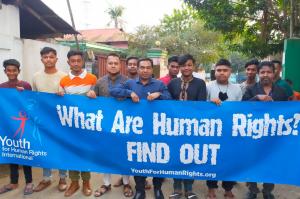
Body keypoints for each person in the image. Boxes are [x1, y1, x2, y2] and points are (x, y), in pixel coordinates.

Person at [110, 58, 171, 199]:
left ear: (152, 69)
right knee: (138, 160)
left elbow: (170, 98)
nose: (145, 70)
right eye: (142, 67)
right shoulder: (130, 83)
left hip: (156, 130)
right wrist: (129, 93)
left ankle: (157, 189)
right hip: (136, 130)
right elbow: (113, 91)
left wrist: (159, 95)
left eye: (148, 68)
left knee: (157, 160)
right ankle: (140, 190)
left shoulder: (159, 84)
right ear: (137, 69)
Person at [243, 61, 288, 199]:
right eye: (262, 72)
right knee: (252, 161)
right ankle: (252, 189)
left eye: (268, 72)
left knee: (272, 162)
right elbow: (241, 109)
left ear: (274, 73)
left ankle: (268, 190)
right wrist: (256, 98)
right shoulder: (251, 90)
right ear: (258, 74)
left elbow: (287, 112)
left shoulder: (281, 91)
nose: (265, 75)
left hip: (273, 137)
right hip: (253, 135)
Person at [91, 53, 132, 197]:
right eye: (110, 63)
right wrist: (90, 95)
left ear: (120, 65)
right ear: (106, 65)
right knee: (106, 154)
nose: (113, 65)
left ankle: (126, 183)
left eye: (116, 63)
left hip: (123, 125)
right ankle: (106, 184)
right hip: (105, 125)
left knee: (124, 154)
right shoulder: (99, 82)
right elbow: (90, 101)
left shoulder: (128, 82)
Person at [58, 50, 97, 197]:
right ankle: (74, 183)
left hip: (86, 125)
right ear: (68, 62)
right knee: (70, 153)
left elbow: (98, 100)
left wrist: (94, 95)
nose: (75, 63)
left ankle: (86, 182)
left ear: (82, 62)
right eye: (72, 61)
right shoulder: (63, 80)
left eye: (78, 61)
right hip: (69, 126)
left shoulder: (92, 78)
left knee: (85, 153)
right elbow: (59, 103)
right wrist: (59, 95)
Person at [168, 54, 206, 199]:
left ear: (193, 66)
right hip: (174, 127)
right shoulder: (173, 83)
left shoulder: (200, 83)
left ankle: (189, 189)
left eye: (189, 65)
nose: (186, 68)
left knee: (190, 157)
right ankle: (177, 188)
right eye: (183, 65)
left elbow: (201, 106)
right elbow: (167, 105)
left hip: (192, 128)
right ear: (179, 67)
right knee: (176, 157)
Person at [32, 47, 68, 193]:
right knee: (44, 148)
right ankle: (46, 178)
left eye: (51, 57)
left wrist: (63, 95)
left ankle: (63, 177)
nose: (48, 59)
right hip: (43, 119)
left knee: (60, 148)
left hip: (60, 120)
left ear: (56, 59)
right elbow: (34, 97)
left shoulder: (64, 76)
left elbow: (70, 99)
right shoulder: (36, 77)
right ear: (41, 59)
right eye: (45, 57)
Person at [206, 59, 242, 199]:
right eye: (219, 70)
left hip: (230, 131)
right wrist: (210, 103)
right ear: (215, 72)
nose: (221, 73)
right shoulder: (208, 87)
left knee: (229, 159)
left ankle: (228, 188)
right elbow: (200, 107)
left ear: (230, 72)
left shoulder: (237, 88)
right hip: (212, 131)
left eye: (225, 70)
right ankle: (211, 188)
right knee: (212, 160)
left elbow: (240, 109)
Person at [0, 59, 33, 195]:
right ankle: (13, 182)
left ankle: (29, 182)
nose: (12, 73)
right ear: (5, 71)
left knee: (25, 153)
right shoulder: (1, 87)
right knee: (11, 152)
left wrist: (23, 94)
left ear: (19, 71)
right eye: (9, 70)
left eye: (14, 70)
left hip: (24, 126)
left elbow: (32, 104)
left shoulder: (25, 85)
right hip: (8, 126)